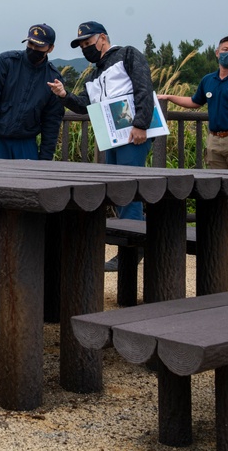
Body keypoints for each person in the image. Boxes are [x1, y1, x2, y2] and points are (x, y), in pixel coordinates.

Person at [48, 21, 153, 271]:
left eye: (88, 42)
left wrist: (141, 124)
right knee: (117, 192)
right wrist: (64, 96)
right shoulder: (95, 75)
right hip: (111, 137)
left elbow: (143, 87)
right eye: (82, 45)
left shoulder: (127, 55)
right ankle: (133, 243)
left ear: (103, 38)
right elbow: (86, 105)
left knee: (129, 190)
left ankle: (132, 248)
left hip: (132, 136)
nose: (85, 48)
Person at [158, 36, 228, 231]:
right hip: (214, 139)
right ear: (217, 52)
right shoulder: (208, 80)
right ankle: (219, 222)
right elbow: (195, 101)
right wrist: (169, 96)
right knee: (216, 182)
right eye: (225, 49)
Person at [0, 24, 65, 161]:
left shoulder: (54, 78)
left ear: (50, 48)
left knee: (29, 181)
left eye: (39, 46)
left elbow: (52, 120)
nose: (33, 48)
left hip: (27, 143)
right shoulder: (5, 62)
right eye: (30, 43)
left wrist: (46, 156)